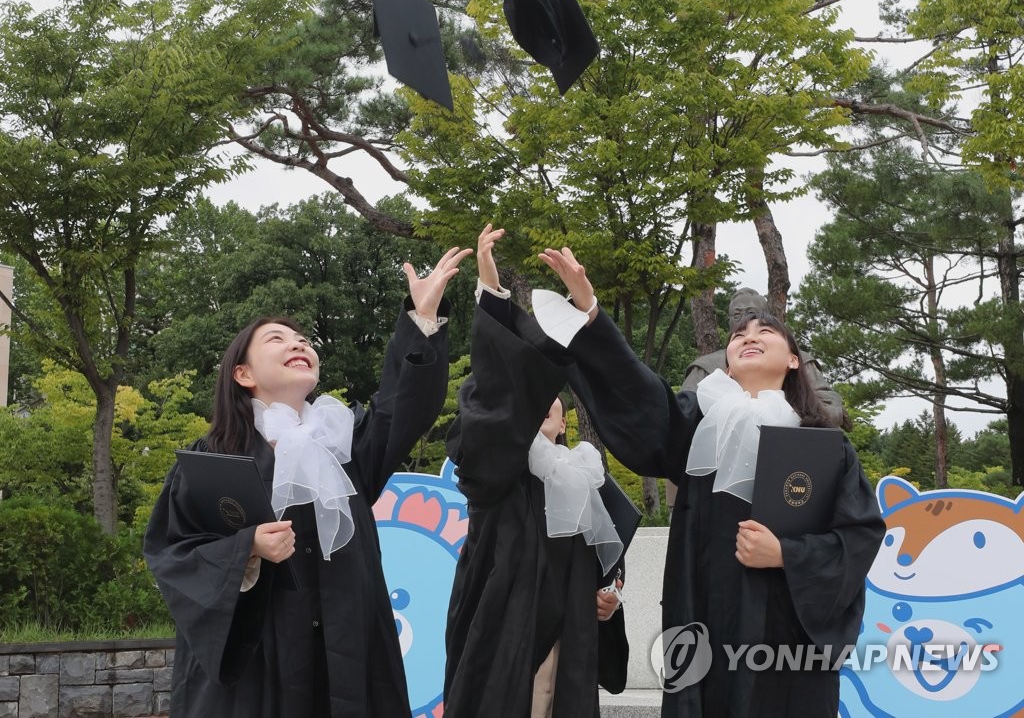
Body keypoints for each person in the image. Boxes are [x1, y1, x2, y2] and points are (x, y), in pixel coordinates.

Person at [533, 246, 885, 718]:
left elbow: (859, 536)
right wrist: (592, 314)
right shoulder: (699, 427)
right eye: (738, 333)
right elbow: (638, 394)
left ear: (796, 362)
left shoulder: (824, 447)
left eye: (765, 332)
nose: (748, 335)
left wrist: (787, 554)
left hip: (783, 633)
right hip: (702, 615)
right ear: (726, 359)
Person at [143, 246, 472, 718]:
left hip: (349, 649)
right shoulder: (211, 457)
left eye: (303, 338)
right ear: (243, 374)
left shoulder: (345, 443)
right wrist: (246, 548)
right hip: (260, 663)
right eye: (277, 339)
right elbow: (170, 552)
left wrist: (421, 321)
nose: (298, 344)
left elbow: (406, 406)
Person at [444, 225, 628, 718]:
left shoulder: (586, 472)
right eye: (532, 399)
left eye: (552, 401)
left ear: (565, 420)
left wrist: (612, 596)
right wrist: (492, 299)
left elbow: (611, 555)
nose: (540, 404)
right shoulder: (499, 463)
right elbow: (495, 393)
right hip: (506, 619)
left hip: (573, 625)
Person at [665, 287, 846, 511]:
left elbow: (829, 406)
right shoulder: (706, 367)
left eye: (753, 313)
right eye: (737, 316)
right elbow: (680, 420)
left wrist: (786, 417)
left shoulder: (799, 361)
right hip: (713, 486)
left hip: (791, 474)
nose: (745, 323)